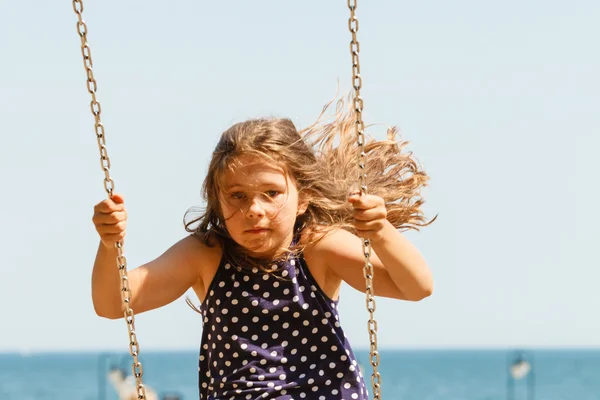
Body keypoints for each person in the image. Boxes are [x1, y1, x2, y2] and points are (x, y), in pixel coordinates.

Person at [91, 99, 434, 400]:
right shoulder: (206, 255)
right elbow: (112, 303)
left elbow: (416, 287)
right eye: (238, 196)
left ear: (304, 197)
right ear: (217, 199)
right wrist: (109, 244)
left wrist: (381, 232)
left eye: (271, 193)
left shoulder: (318, 247)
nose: (255, 209)